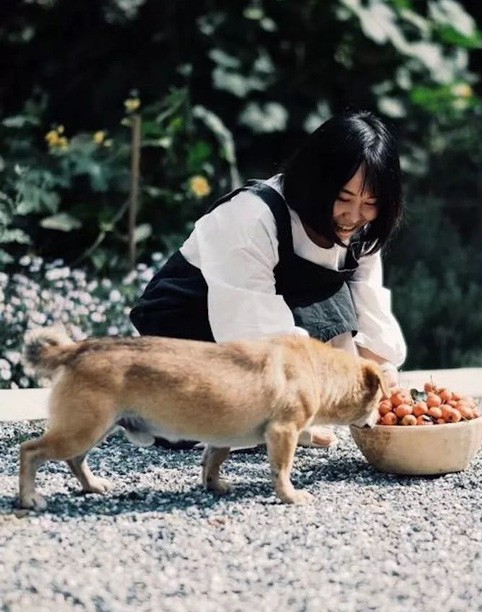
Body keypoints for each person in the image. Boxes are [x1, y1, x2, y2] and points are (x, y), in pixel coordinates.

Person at [127, 110, 407, 449]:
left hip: (278, 316)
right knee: (195, 424)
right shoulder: (252, 217)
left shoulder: (361, 228)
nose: (353, 215)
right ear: (316, 182)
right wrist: (298, 416)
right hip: (195, 327)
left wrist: (381, 379)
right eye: (343, 198)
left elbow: (365, 304)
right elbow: (253, 332)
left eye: (370, 203)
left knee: (332, 291)